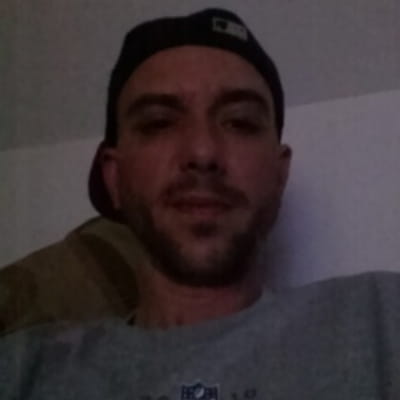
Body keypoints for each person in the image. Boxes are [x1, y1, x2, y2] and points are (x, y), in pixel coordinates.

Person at [1, 8, 399, 399]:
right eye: (158, 123)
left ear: (279, 175)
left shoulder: (381, 320)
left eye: (240, 122)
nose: (203, 151)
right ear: (114, 177)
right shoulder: (25, 368)